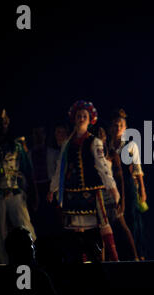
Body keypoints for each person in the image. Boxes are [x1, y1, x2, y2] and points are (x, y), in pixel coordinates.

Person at [48, 100, 121, 263]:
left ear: (90, 120)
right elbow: (61, 167)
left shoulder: (94, 142)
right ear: (74, 119)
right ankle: (83, 261)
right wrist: (52, 189)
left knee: (103, 224)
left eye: (84, 116)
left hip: (93, 190)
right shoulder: (67, 143)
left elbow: (103, 166)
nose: (81, 118)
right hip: (73, 192)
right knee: (77, 228)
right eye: (79, 116)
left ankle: (113, 260)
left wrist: (112, 188)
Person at [0, 109, 37, 266]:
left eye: (5, 121)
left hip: (15, 193)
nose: (3, 125)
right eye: (0, 122)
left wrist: (33, 193)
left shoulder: (16, 146)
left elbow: (27, 169)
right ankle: (3, 269)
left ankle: (30, 265)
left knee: (26, 230)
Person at [109, 108, 148, 260]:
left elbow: (138, 169)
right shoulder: (107, 146)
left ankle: (138, 254)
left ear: (125, 128)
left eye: (121, 125)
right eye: (115, 125)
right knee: (116, 220)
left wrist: (142, 191)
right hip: (114, 186)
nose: (118, 128)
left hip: (129, 185)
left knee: (132, 218)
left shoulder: (131, 145)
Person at [98, 126, 139, 261]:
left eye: (102, 134)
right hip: (99, 196)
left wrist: (121, 200)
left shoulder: (112, 155)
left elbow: (120, 178)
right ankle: (104, 261)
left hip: (112, 195)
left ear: (105, 137)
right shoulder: (93, 155)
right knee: (102, 229)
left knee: (123, 227)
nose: (100, 136)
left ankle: (135, 257)